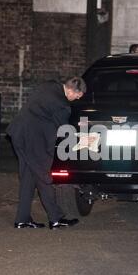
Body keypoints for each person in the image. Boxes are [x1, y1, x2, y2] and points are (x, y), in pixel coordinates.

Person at [6, 77, 87, 230]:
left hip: (18, 133)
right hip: (32, 142)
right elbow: (63, 133)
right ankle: (55, 219)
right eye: (77, 96)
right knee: (45, 177)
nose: (75, 100)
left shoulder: (49, 85)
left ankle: (22, 220)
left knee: (28, 179)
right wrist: (82, 143)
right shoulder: (62, 106)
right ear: (71, 90)